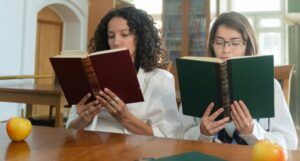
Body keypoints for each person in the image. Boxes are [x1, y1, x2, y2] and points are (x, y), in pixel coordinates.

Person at [180, 11, 298, 150]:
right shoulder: (194, 84)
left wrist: (252, 131)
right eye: (219, 42)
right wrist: (201, 132)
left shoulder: (270, 86)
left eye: (235, 43)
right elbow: (177, 138)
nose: (226, 50)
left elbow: (289, 143)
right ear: (212, 44)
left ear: (247, 46)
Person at [66, 6, 181, 138]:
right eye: (111, 36)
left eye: (125, 34)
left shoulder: (161, 79)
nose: (116, 42)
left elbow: (168, 136)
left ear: (139, 38)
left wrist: (125, 118)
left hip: (134, 151)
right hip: (89, 146)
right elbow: (70, 128)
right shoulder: (90, 74)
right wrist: (84, 119)